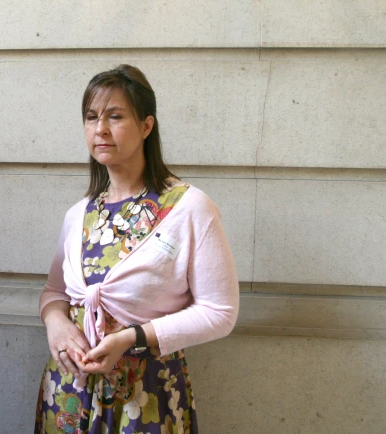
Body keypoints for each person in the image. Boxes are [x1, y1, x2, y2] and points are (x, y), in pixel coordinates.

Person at [35, 65, 239, 434]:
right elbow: (54, 292)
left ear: (147, 126)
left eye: (115, 116)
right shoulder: (80, 213)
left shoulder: (188, 208)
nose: (100, 129)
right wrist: (56, 324)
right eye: (92, 117)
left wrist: (132, 337)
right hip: (70, 393)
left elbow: (220, 312)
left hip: (145, 397)